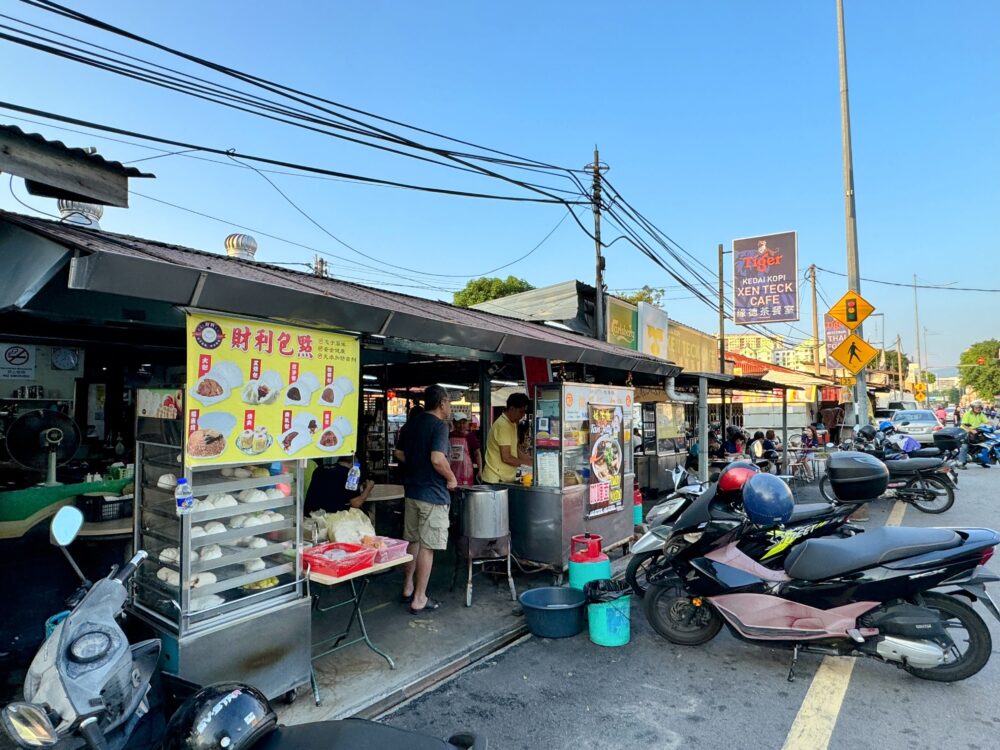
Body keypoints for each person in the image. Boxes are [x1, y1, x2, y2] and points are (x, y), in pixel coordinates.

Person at [397, 385, 457, 613]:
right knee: (428, 546)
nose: (449, 407)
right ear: (442, 402)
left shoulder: (412, 423)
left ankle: (407, 588)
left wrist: (415, 466)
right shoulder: (439, 426)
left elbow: (399, 453)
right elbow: (437, 459)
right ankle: (420, 598)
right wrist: (451, 478)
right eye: (449, 403)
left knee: (413, 540)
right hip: (433, 495)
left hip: (412, 492)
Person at [482, 393, 533, 483]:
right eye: (521, 412)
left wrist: (531, 460)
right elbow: (506, 457)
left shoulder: (512, 424)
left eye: (524, 412)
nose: (523, 415)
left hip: (505, 478)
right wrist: (527, 464)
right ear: (512, 409)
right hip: (496, 480)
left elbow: (514, 451)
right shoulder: (503, 425)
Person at [304, 457, 375, 516]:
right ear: (353, 464)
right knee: (369, 514)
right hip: (334, 518)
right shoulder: (351, 474)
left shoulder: (319, 469)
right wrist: (369, 488)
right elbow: (356, 503)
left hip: (311, 515)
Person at [448, 414, 482, 486]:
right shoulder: (449, 436)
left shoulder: (470, 437)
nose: (461, 426)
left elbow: (477, 453)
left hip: (466, 473)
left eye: (463, 423)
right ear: (454, 423)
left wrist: (480, 470)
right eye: (458, 423)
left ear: (467, 424)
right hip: (450, 472)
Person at [958, 401, 991, 469]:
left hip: (976, 431)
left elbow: (987, 422)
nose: (978, 409)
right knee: (965, 446)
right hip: (965, 431)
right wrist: (971, 430)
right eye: (977, 408)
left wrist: (995, 425)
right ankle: (961, 463)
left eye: (980, 408)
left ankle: (982, 461)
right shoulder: (967, 414)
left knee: (983, 444)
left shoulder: (981, 414)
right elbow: (963, 424)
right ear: (972, 408)